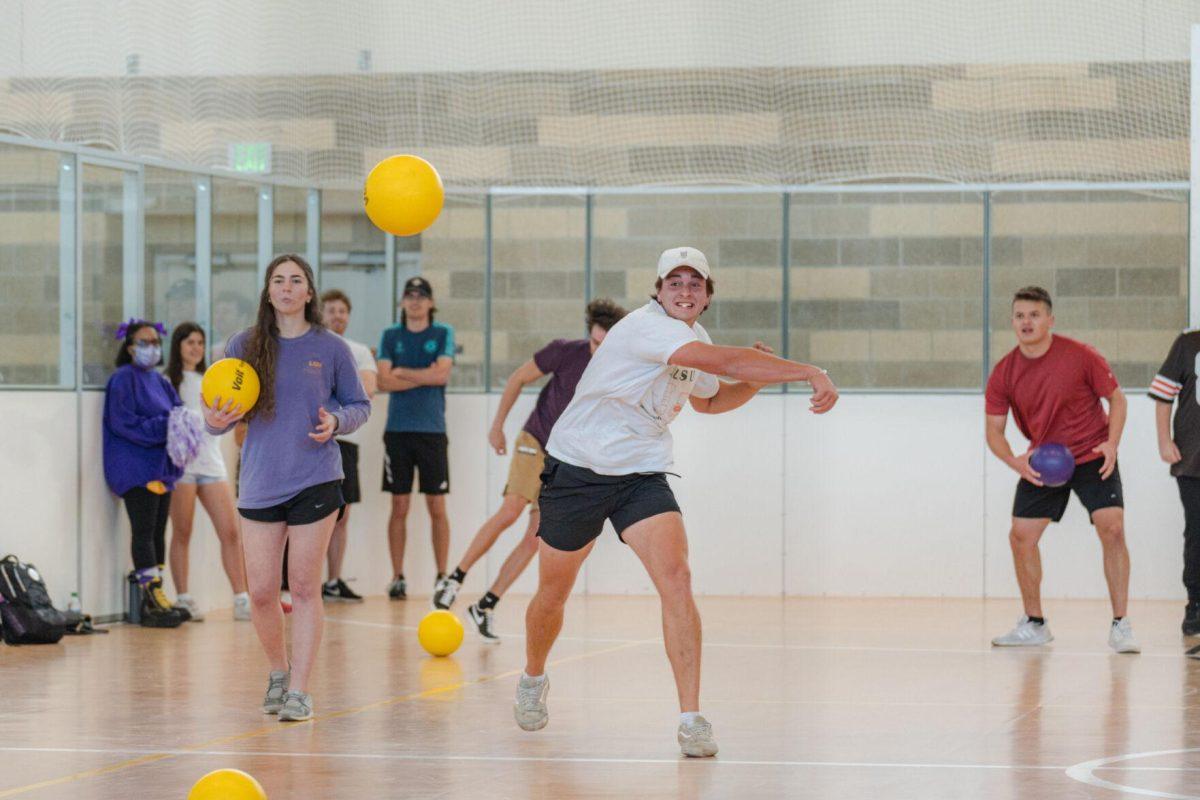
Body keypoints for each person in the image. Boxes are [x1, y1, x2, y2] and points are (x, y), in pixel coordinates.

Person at [514, 247, 839, 758]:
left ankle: (691, 717)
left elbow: (709, 399)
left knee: (678, 578)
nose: (684, 290)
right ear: (658, 291)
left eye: (695, 283)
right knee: (553, 593)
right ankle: (533, 674)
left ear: (707, 296)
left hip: (640, 473)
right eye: (675, 282)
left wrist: (754, 380)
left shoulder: (695, 339)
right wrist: (807, 370)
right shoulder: (646, 328)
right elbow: (726, 361)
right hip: (577, 469)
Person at [202, 254, 370, 723]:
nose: (287, 287)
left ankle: (300, 690)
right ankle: (279, 670)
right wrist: (214, 421)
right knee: (260, 591)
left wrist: (337, 420)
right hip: (259, 482)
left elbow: (360, 405)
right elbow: (219, 415)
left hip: (316, 479)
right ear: (268, 291)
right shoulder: (244, 344)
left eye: (296, 280)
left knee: (302, 586)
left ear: (309, 292)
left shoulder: (331, 348)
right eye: (279, 280)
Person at [433, 299, 628, 641]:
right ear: (589, 335)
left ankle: (486, 605)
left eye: (606, 343)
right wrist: (497, 425)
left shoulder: (618, 370)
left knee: (535, 537)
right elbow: (518, 378)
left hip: (564, 459)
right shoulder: (565, 351)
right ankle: (455, 579)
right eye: (595, 341)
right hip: (535, 440)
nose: (599, 349)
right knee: (511, 510)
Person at [985, 286, 1139, 654]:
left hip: (1091, 454)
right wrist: (1015, 461)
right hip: (1044, 461)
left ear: (1049, 320)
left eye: (1034, 315)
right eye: (1020, 315)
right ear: (1013, 321)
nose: (1027, 322)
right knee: (1021, 536)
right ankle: (1034, 623)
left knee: (1112, 527)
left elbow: (1116, 398)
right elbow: (994, 430)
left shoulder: (1080, 356)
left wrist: (1112, 443)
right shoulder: (1004, 371)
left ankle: (1121, 624)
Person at [102, 319, 187, 628]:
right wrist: (164, 426)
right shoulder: (123, 379)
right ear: (129, 347)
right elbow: (124, 422)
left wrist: (178, 424)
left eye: (155, 341)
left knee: (157, 532)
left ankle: (160, 593)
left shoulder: (161, 381)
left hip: (162, 468)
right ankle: (149, 599)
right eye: (144, 342)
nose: (151, 347)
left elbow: (178, 413)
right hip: (136, 468)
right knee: (143, 530)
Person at [164, 322, 251, 622]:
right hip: (182, 468)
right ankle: (184, 597)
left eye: (200, 342)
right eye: (189, 342)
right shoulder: (167, 381)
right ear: (177, 346)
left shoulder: (211, 377)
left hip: (212, 464)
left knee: (230, 531)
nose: (196, 348)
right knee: (182, 531)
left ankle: (241, 598)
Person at [377, 276, 456, 600]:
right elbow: (382, 381)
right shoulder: (390, 335)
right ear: (402, 303)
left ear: (431, 302)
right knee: (399, 504)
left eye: (422, 295)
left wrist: (403, 372)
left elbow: (442, 374)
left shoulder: (443, 333)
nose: (415, 301)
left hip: (432, 432)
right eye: (409, 295)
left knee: (436, 504)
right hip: (397, 431)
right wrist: (424, 376)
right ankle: (397, 577)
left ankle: (442, 576)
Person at [319, 289, 378, 602]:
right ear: (321, 313)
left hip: (347, 441)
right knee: (308, 513)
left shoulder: (359, 351)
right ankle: (298, 582)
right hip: (314, 439)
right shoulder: (311, 347)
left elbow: (367, 390)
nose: (337, 315)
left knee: (341, 514)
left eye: (342, 310)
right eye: (331, 310)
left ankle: (333, 580)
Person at [1149, 328, 1200, 636]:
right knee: (1197, 532)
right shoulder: (1188, 343)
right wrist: (1164, 440)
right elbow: (1163, 396)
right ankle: (1195, 605)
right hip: (1194, 460)